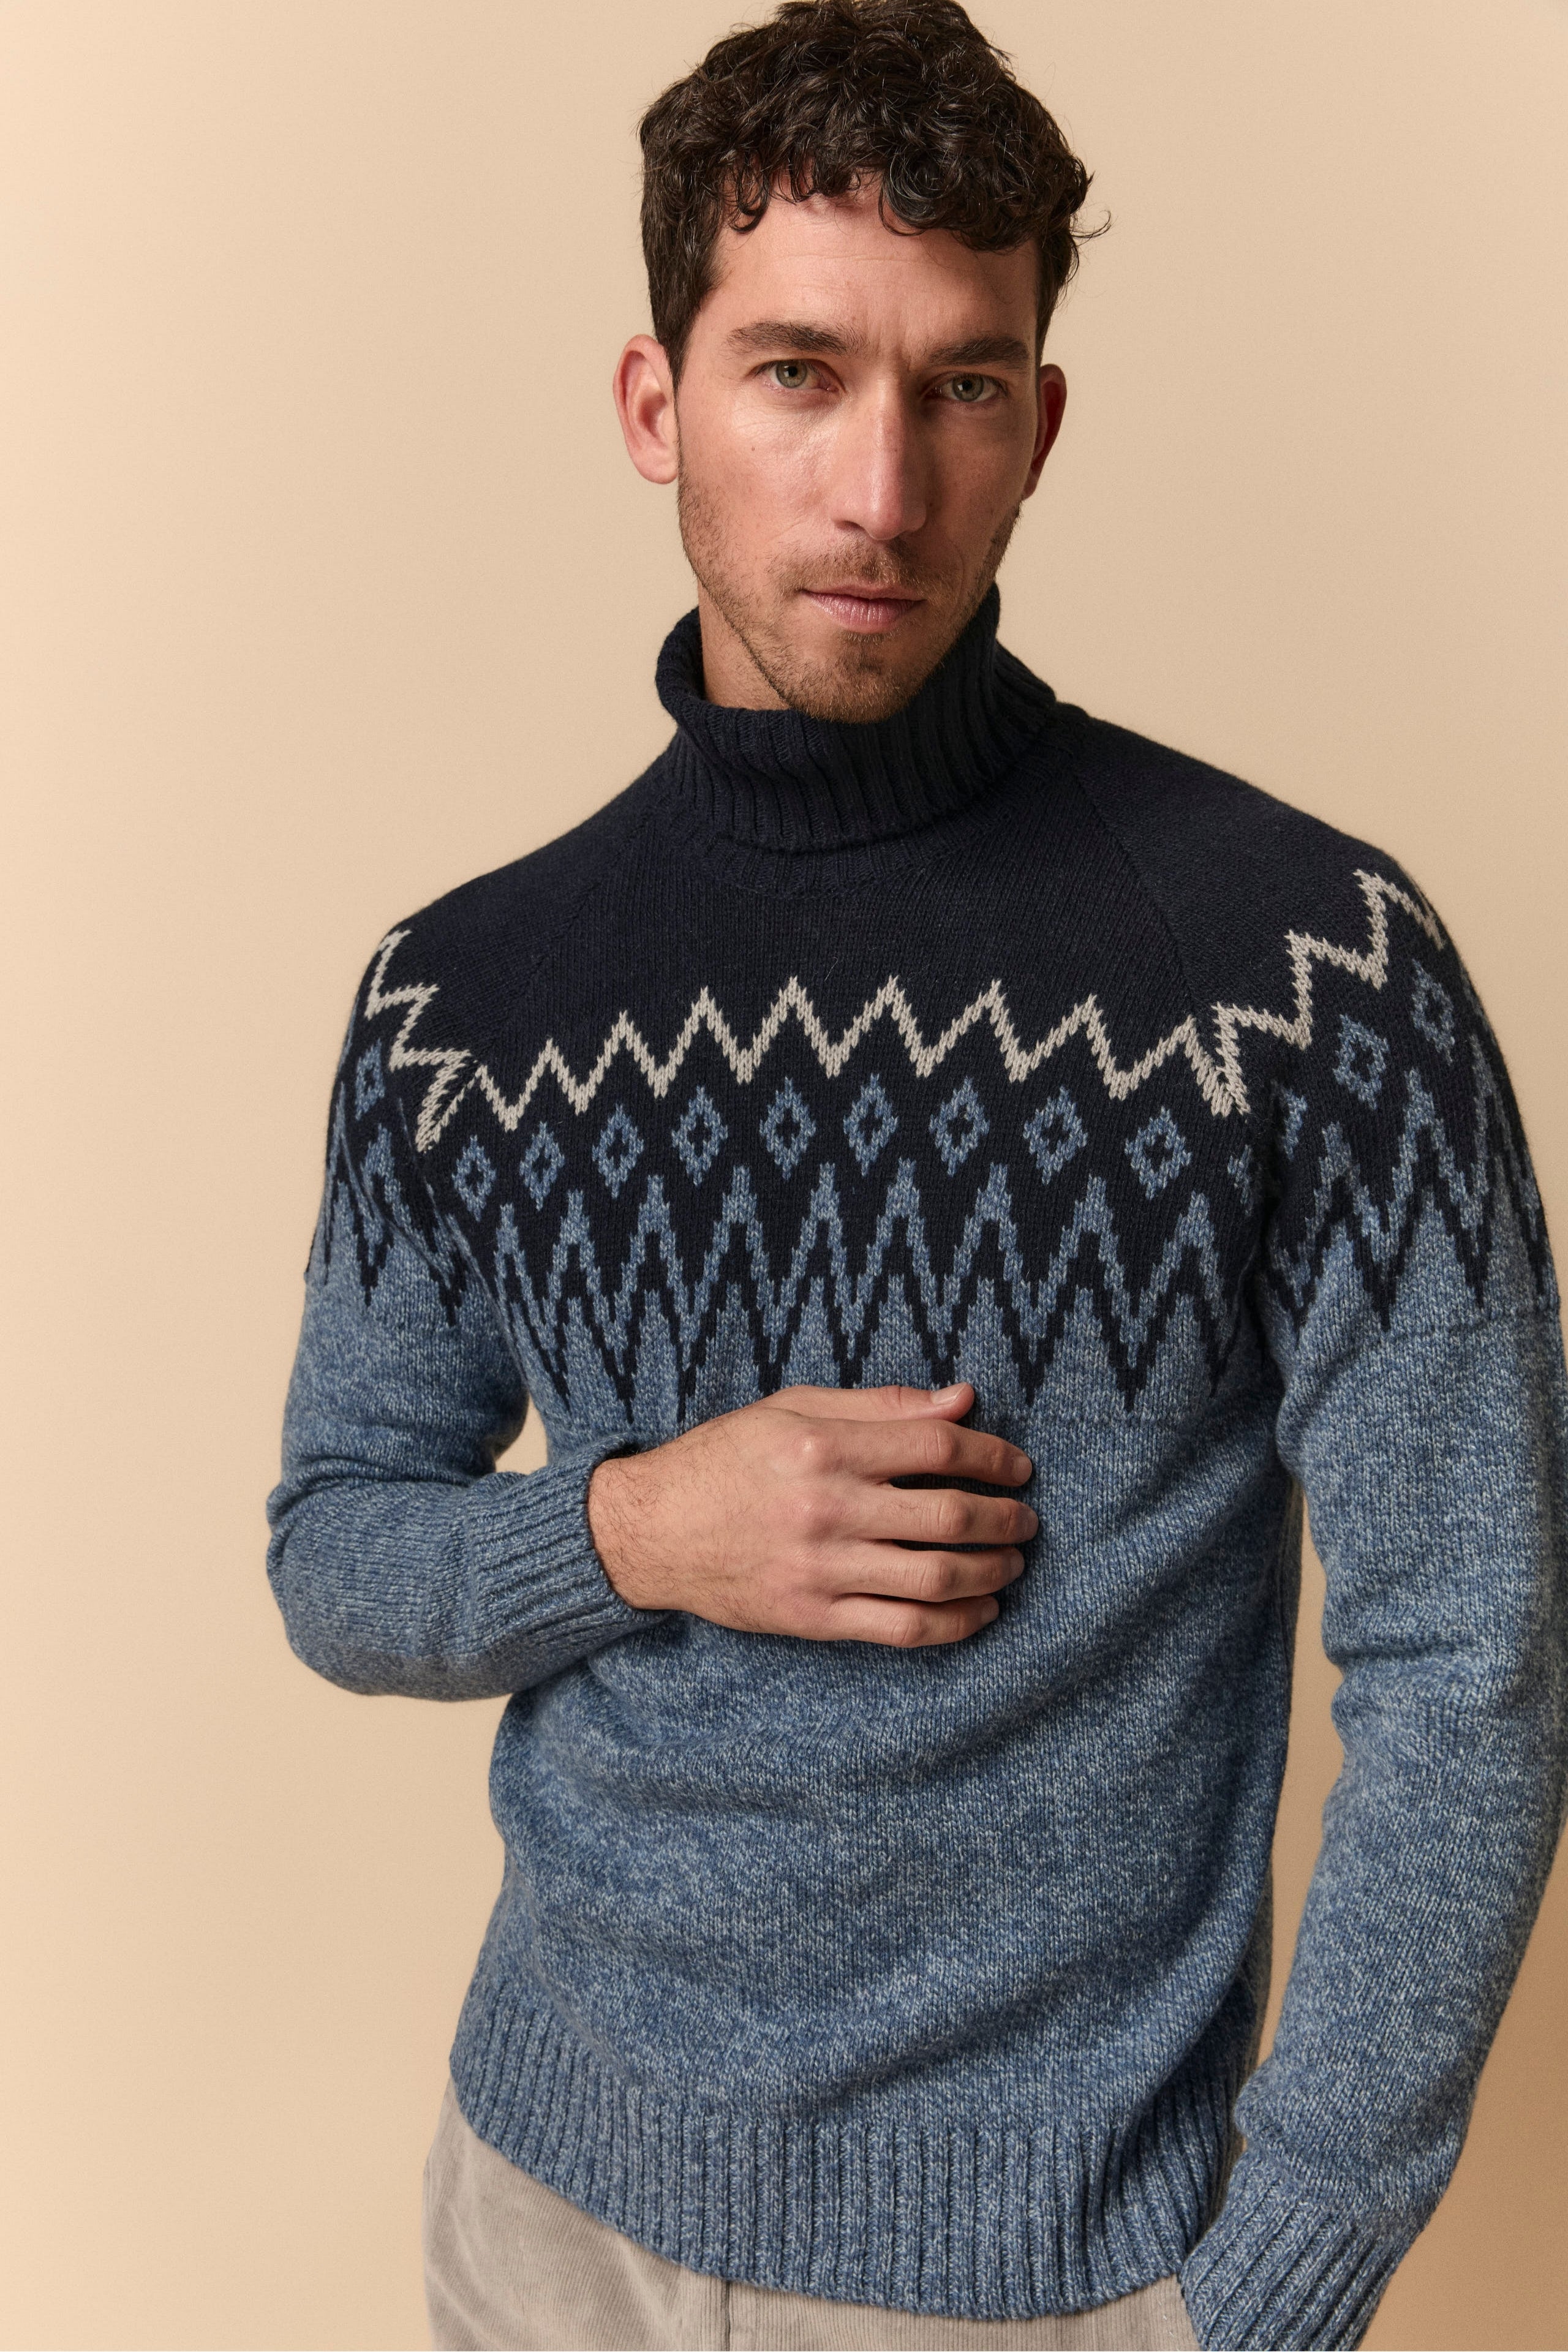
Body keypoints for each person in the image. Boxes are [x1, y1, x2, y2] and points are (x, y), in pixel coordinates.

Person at [264, 4, 1568, 2346]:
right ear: (655, 403)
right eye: (796, 373)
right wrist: (637, 1528)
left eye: (961, 386)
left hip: (1052, 2286)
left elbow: (1476, 1650)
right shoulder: (461, 998)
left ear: (1038, 424)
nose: (881, 490)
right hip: (536, 2221)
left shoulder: (1307, 972)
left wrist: (1281, 2281)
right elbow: (337, 1551)